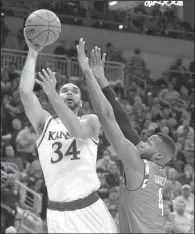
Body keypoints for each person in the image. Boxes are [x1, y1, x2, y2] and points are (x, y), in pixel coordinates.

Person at [19, 32, 117, 233]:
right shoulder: (44, 123)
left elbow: (77, 131)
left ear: (80, 102)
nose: (70, 93)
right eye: (65, 90)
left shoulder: (90, 121)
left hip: (89, 209)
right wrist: (32, 52)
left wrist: (54, 95)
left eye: (74, 91)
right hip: (56, 213)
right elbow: (25, 93)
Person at [76, 38, 176, 233]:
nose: (141, 142)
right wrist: (102, 79)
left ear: (157, 155)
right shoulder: (156, 168)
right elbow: (125, 124)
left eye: (147, 142)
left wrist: (87, 72)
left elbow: (106, 118)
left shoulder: (140, 166)